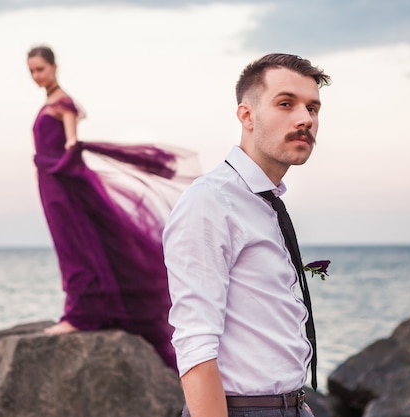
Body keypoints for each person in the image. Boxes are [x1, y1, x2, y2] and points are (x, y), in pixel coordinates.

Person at [163, 53, 331, 417]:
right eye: (286, 104)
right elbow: (194, 344)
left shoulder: (264, 202)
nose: (305, 119)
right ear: (246, 116)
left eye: (313, 108)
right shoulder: (212, 201)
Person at [27, 45, 199, 371]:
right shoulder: (50, 103)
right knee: (73, 246)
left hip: (63, 184)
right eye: (32, 71)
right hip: (52, 184)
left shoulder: (62, 103)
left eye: (41, 69)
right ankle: (85, 310)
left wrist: (59, 169)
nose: (37, 76)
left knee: (75, 246)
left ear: (54, 67)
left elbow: (72, 145)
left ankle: (79, 315)